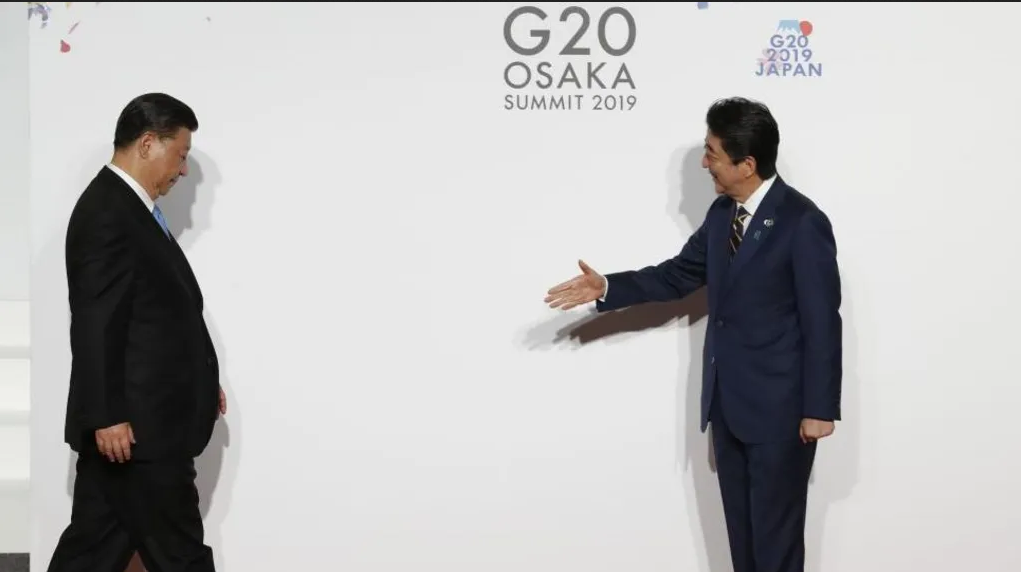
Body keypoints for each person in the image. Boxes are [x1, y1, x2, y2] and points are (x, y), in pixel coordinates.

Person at [544, 97, 842, 572]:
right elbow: (678, 275)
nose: (705, 163)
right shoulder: (723, 215)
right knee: (743, 545)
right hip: (728, 409)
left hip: (782, 415)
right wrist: (608, 287)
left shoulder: (802, 222)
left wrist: (819, 410)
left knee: (776, 547)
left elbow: (823, 320)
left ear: (747, 165)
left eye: (712, 153)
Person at [46, 93, 226, 572]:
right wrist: (107, 415)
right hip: (139, 433)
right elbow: (95, 320)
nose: (182, 170)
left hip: (140, 429)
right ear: (148, 143)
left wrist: (203, 379)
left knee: (92, 552)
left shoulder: (129, 209)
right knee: (181, 555)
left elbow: (156, 316)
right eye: (180, 155)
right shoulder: (108, 211)